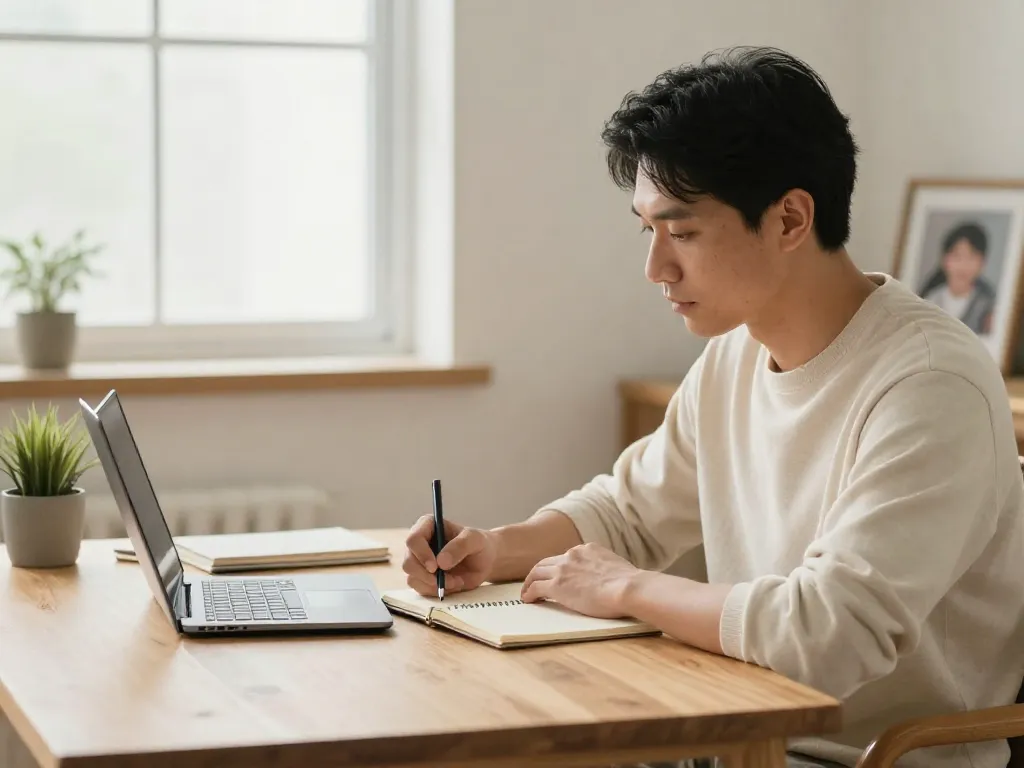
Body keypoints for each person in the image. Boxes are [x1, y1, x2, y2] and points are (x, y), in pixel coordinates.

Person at [402, 46, 1024, 768]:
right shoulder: (734, 353)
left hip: (864, 758)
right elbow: (630, 511)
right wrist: (494, 547)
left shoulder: (928, 384)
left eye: (684, 232)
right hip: (732, 734)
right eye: (648, 230)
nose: (656, 269)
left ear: (790, 219)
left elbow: (827, 636)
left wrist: (627, 588)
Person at [918, 221, 997, 335]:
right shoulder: (930, 300)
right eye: (957, 256)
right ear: (944, 260)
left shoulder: (987, 307)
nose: (963, 265)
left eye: (971, 257)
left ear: (982, 263)